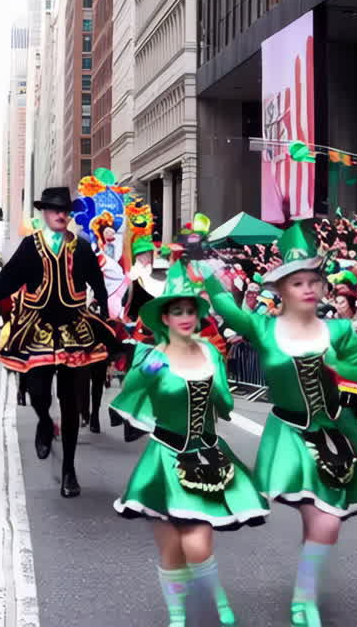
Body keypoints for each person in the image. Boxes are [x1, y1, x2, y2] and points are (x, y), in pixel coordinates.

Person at [200, 221, 357, 627]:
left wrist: (338, 366)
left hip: (333, 435)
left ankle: (305, 592)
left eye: (314, 281)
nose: (308, 288)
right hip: (287, 435)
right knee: (319, 519)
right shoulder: (264, 328)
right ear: (281, 289)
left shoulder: (340, 331)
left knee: (326, 522)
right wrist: (204, 268)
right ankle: (305, 595)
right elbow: (227, 308)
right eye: (297, 282)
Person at [111, 260, 268, 626]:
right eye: (177, 311)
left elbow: (226, 405)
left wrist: (213, 385)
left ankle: (216, 596)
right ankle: (177, 615)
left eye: (190, 310)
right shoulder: (153, 357)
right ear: (165, 318)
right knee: (171, 548)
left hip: (207, 454)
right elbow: (130, 392)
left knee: (197, 544)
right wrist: (146, 370)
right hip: (165, 459)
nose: (185, 317)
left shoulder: (211, 352)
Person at [0, 186, 116, 498]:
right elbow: (7, 280)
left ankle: (69, 469)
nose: (61, 214)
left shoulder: (82, 248)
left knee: (71, 401)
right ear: (44, 212)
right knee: (38, 393)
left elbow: (98, 283)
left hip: (73, 330)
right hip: (37, 329)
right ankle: (44, 421)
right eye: (55, 209)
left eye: (65, 210)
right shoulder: (31, 246)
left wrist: (103, 307)